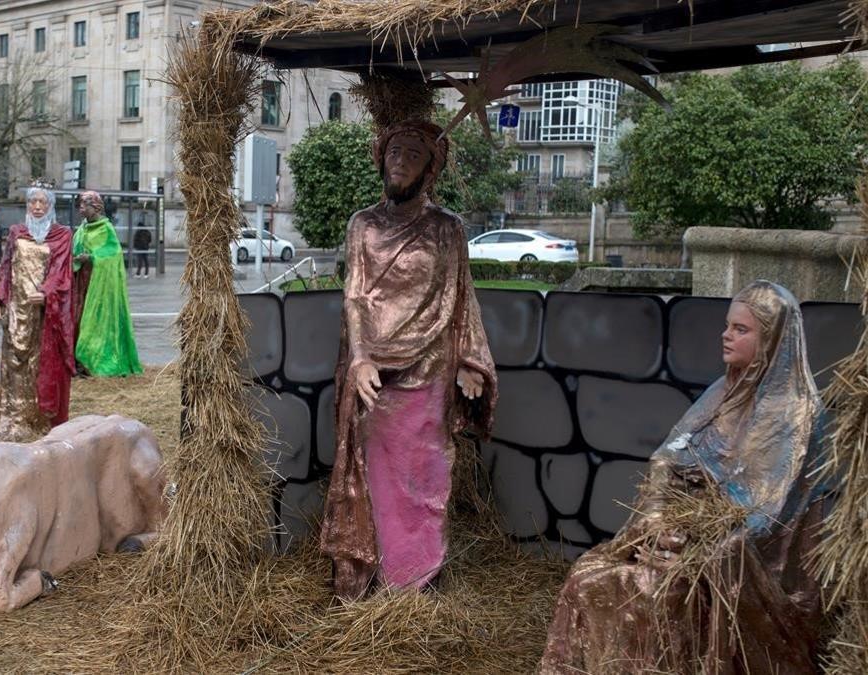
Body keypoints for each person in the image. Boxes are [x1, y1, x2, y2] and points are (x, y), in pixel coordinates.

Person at [540, 281, 831, 674]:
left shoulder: (796, 414)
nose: (725, 335)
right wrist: (657, 518)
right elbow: (669, 455)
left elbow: (767, 515)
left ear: (772, 341)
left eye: (741, 330)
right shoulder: (724, 391)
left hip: (738, 561)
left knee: (653, 593)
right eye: (728, 325)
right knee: (588, 576)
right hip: (682, 534)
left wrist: (688, 544)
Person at [320, 120, 497, 600]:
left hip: (432, 368)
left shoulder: (447, 228)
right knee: (373, 474)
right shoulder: (363, 224)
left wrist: (469, 358)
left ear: (430, 169)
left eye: (414, 154)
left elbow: (462, 298)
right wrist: (359, 358)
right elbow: (355, 296)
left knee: (426, 476)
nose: (400, 160)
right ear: (381, 158)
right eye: (394, 150)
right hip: (373, 373)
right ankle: (376, 577)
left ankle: (415, 581)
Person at [0, 181, 77, 442]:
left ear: (51, 205)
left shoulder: (62, 235)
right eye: (33, 202)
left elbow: (61, 271)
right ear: (27, 205)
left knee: (40, 367)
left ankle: (41, 422)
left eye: (43, 202)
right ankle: (14, 422)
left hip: (45, 315)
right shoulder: (17, 233)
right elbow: (7, 268)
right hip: (17, 313)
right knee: (15, 368)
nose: (37, 207)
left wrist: (47, 293)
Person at [72, 191, 142, 377]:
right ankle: (78, 362)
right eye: (79, 205)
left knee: (95, 322)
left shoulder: (105, 229)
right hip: (81, 284)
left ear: (94, 207)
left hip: (99, 285)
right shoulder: (82, 229)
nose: (80, 208)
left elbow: (113, 254)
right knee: (78, 319)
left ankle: (94, 361)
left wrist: (93, 257)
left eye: (83, 205)